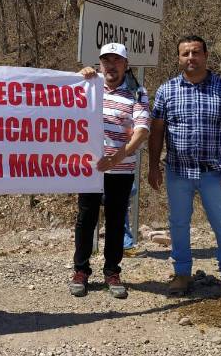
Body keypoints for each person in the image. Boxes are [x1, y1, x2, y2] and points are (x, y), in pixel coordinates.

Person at [148, 35, 221, 305]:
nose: (190, 58)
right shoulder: (166, 90)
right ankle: (182, 274)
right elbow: (156, 131)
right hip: (177, 171)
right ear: (178, 58)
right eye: (185, 54)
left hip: (214, 173)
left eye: (195, 52)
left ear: (205, 55)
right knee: (179, 224)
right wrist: (153, 165)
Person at [72, 43, 150, 299]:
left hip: (121, 170)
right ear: (100, 64)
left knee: (116, 222)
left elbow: (142, 130)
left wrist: (117, 157)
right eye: (106, 60)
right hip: (90, 171)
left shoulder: (137, 93)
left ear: (126, 65)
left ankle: (112, 272)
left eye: (117, 60)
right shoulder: (89, 86)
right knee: (85, 221)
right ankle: (80, 271)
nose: (111, 65)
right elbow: (64, 108)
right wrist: (79, 77)